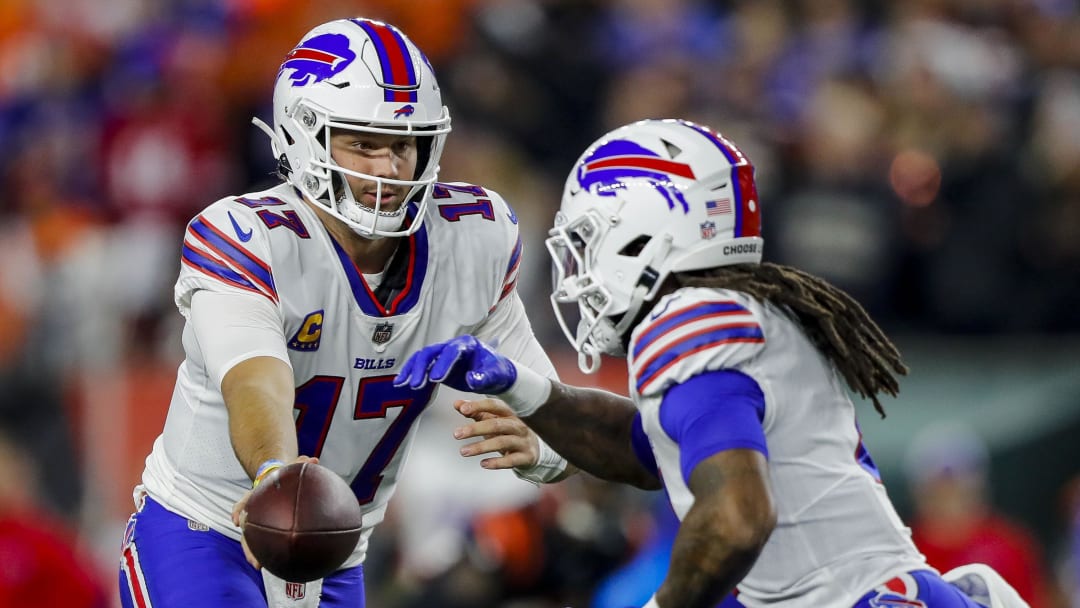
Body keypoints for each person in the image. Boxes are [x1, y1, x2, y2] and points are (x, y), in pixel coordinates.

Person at [395, 118, 1030, 608]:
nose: (579, 270)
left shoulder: (692, 320)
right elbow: (651, 451)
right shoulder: (730, 310)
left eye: (589, 240)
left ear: (652, 228)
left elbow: (736, 517)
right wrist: (528, 390)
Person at [117, 17, 567, 608]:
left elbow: (541, 394)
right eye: (364, 142)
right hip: (207, 528)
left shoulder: (474, 238)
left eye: (403, 145)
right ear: (304, 139)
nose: (388, 168)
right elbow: (255, 381)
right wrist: (276, 474)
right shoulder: (248, 235)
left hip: (335, 553)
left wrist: (549, 447)